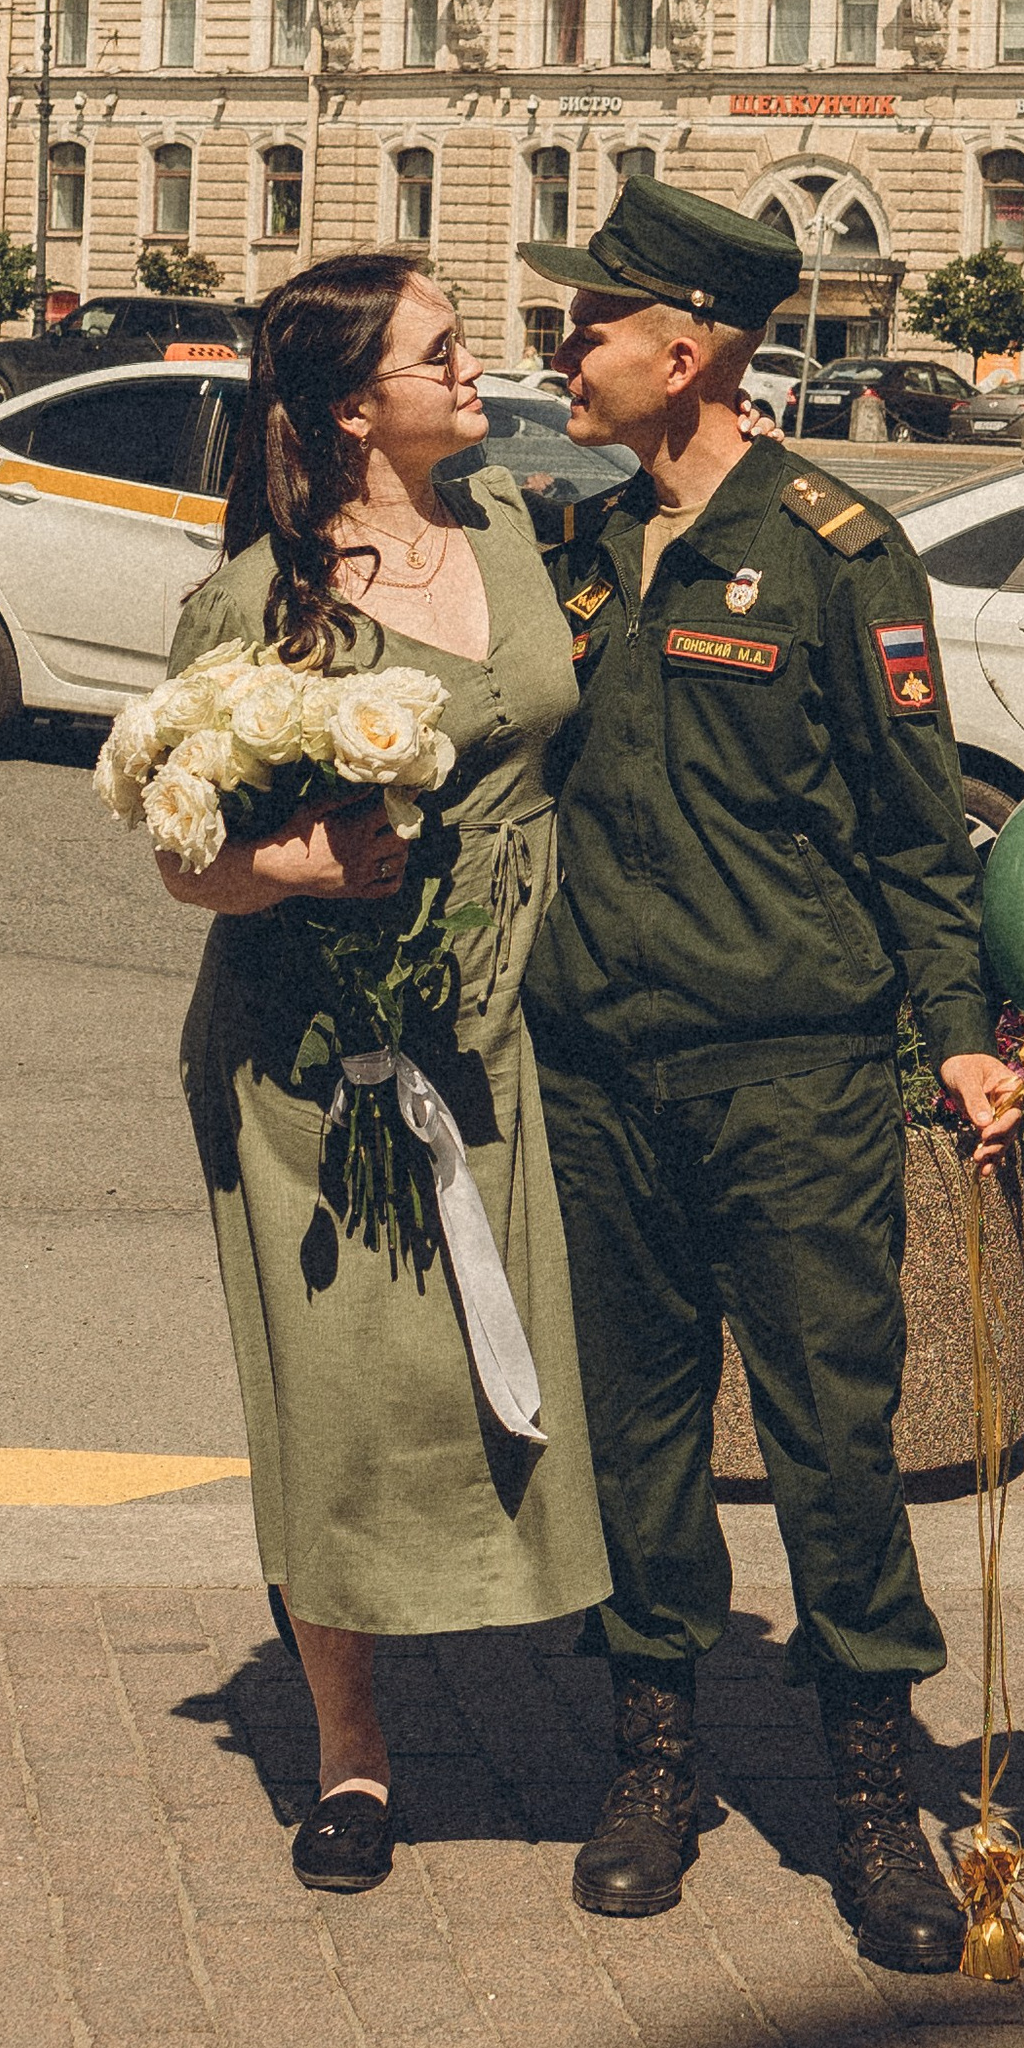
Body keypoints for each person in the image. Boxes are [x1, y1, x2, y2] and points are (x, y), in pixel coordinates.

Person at [516, 174, 1024, 1973]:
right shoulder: (578, 547)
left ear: (688, 349)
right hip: (599, 1066)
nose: (561, 344)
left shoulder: (832, 550)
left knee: (831, 1438)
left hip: (792, 1074)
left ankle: (873, 1797)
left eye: (591, 322)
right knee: (636, 1434)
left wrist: (957, 1038)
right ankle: (654, 1759)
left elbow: (916, 836)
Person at [153, 254, 606, 1893]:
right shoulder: (259, 604)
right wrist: (296, 873)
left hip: (506, 1026)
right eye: (446, 352)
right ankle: (353, 1756)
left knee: (525, 1370)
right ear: (356, 406)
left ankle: (576, 1651)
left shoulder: (508, 532)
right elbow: (185, 857)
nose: (478, 371)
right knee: (339, 1404)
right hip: (315, 1060)